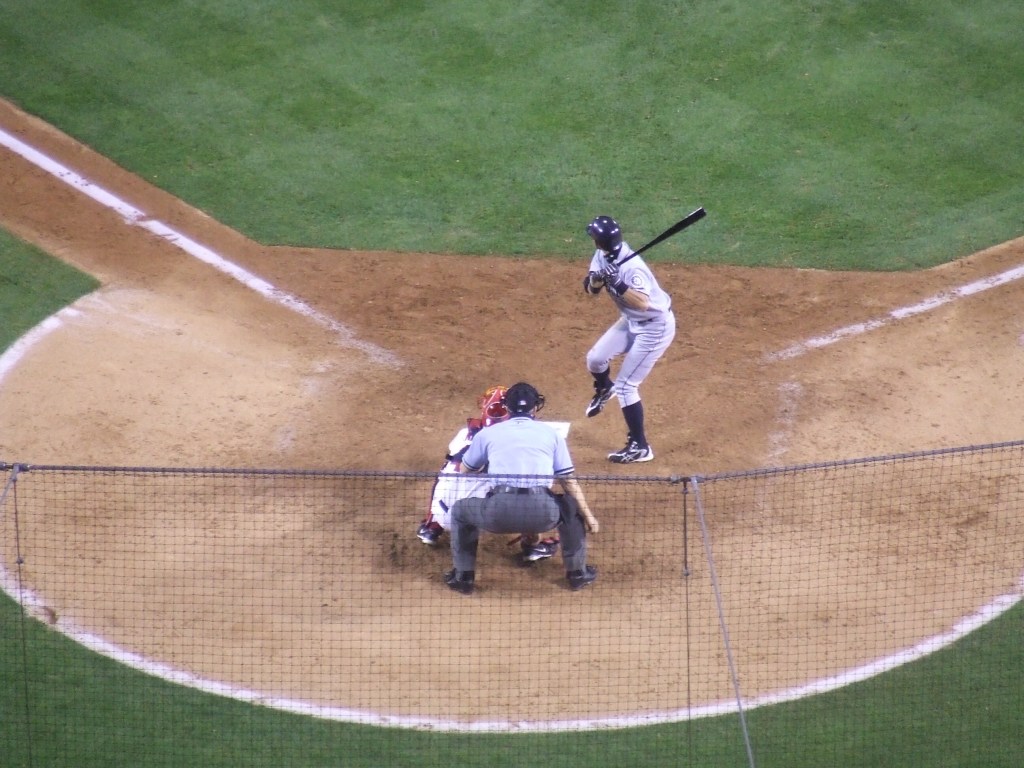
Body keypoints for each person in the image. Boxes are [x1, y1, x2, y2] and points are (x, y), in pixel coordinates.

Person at [444, 382, 600, 594]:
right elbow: (568, 482)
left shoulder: (488, 434)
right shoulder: (551, 434)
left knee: (461, 511)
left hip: (498, 514)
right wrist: (589, 517)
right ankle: (578, 574)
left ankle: (463, 578)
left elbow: (465, 469)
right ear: (535, 407)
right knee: (570, 506)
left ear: (506, 408)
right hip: (543, 513)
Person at [416, 385, 560, 562]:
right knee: (527, 489)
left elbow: (463, 466)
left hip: (443, 512)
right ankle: (532, 546)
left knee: (446, 473)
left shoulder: (464, 433)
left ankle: (431, 527)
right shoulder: (515, 444)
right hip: (485, 521)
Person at [581, 215, 676, 464]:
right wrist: (596, 280)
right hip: (630, 321)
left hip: (655, 327)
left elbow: (643, 303)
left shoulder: (633, 267)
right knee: (595, 359)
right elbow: (590, 290)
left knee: (626, 386)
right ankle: (604, 387)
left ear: (599, 241)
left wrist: (618, 283)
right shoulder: (602, 255)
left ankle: (640, 447)